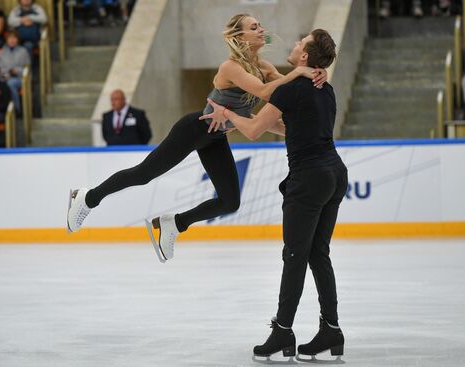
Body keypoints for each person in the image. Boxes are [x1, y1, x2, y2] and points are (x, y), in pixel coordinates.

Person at [67, 14, 326, 263]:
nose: (261, 29)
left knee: (229, 201)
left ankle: (174, 224)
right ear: (240, 36)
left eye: (260, 25)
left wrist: (317, 75)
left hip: (216, 137)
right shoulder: (230, 67)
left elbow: (287, 95)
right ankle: (88, 198)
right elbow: (263, 90)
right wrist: (298, 73)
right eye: (254, 26)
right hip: (194, 130)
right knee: (143, 174)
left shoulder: (264, 67)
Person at [201, 29, 347, 363]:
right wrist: (241, 115)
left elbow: (253, 130)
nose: (294, 45)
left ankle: (282, 331)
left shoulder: (291, 88)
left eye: (300, 43)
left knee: (295, 256)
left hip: (309, 178)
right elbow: (285, 126)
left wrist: (227, 115)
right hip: (335, 174)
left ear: (306, 57)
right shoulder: (324, 87)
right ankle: (331, 329)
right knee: (318, 254)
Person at [0, 31, 30, 113]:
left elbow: (27, 69)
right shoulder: (1, 52)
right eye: (10, 38)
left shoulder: (23, 51)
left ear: (17, 40)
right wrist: (7, 72)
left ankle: (16, 110)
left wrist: (17, 70)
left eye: (14, 38)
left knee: (11, 83)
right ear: (6, 40)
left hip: (19, 78)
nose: (12, 40)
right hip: (4, 77)